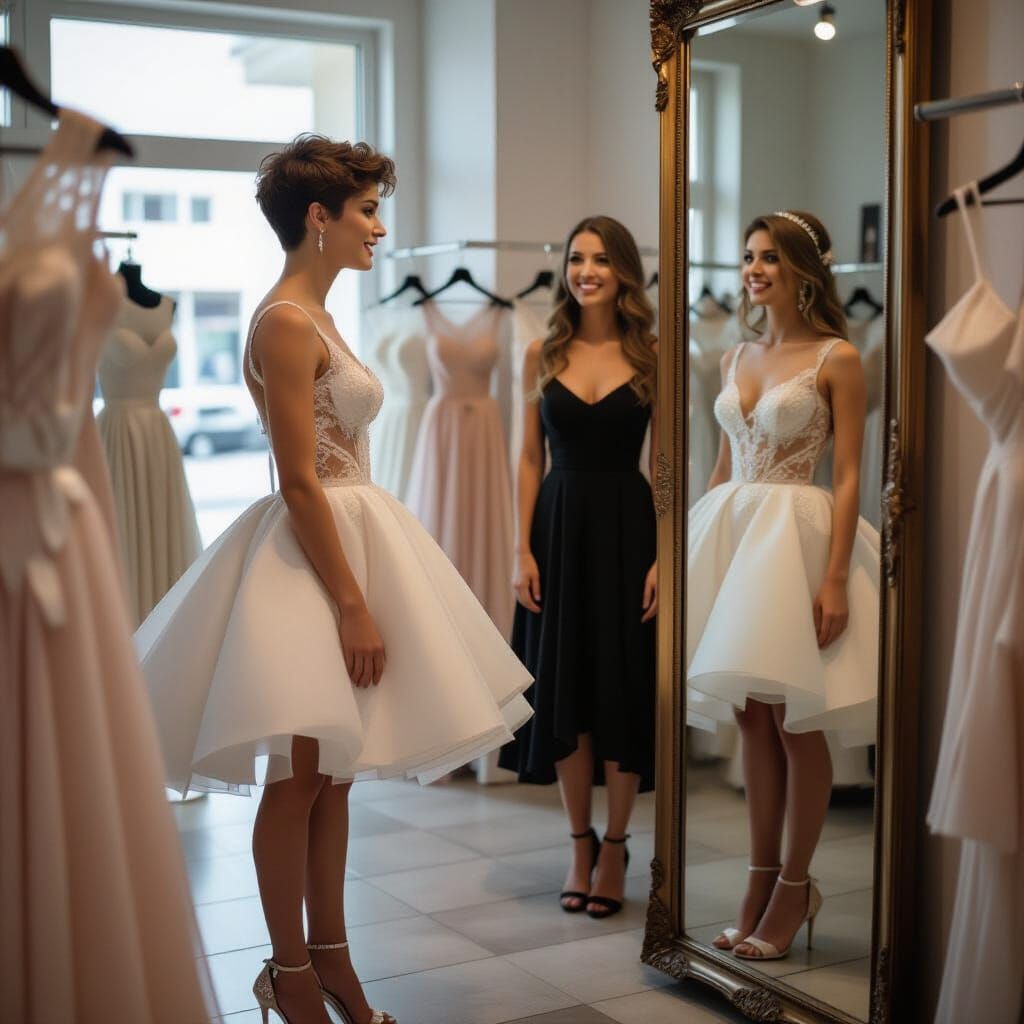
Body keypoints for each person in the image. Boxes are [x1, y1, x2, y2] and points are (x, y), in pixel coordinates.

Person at [135, 135, 532, 1024]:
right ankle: (289, 975)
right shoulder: (284, 320)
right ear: (320, 217)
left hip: (352, 540)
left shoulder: (316, 314)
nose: (380, 230)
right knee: (299, 780)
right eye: (367, 211)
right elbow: (299, 478)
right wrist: (352, 602)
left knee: (332, 778)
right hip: (312, 559)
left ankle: (334, 964)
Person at [686, 211, 880, 961]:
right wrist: (688, 555)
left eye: (770, 257)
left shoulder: (838, 356)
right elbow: (723, 465)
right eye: (748, 256)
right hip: (733, 539)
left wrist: (834, 580)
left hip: (796, 540)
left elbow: (851, 474)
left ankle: (795, 887)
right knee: (751, 721)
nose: (754, 269)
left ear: (804, 268)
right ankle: (760, 881)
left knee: (798, 723)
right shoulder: (734, 354)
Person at [499, 215, 658, 919]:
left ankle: (616, 845)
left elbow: (669, 466)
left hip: (629, 532)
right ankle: (578, 842)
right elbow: (526, 457)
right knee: (564, 687)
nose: (585, 271)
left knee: (619, 687)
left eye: (599, 259)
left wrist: (665, 560)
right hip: (557, 530)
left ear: (623, 271)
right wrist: (520, 550)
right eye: (576, 259)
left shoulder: (653, 356)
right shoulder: (542, 351)